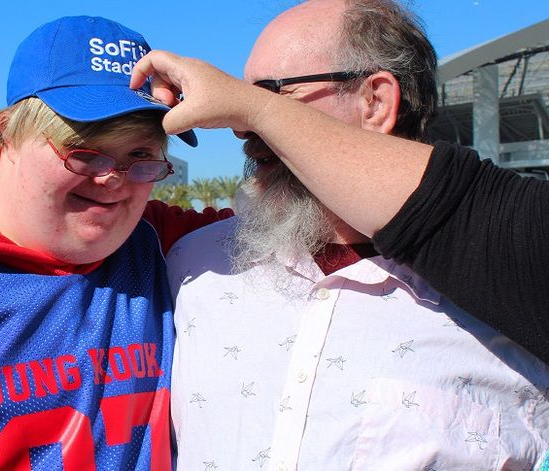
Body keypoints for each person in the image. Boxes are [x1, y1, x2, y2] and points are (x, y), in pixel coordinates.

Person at [131, 0, 549, 468]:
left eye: (271, 94)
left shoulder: (514, 289)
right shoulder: (192, 262)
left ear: (375, 102)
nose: (239, 126)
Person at [0, 16, 232, 469]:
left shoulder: (158, 239)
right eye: (84, 149)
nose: (112, 179)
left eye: (140, 154)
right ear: (8, 133)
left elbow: (314, 224)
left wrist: (252, 110)